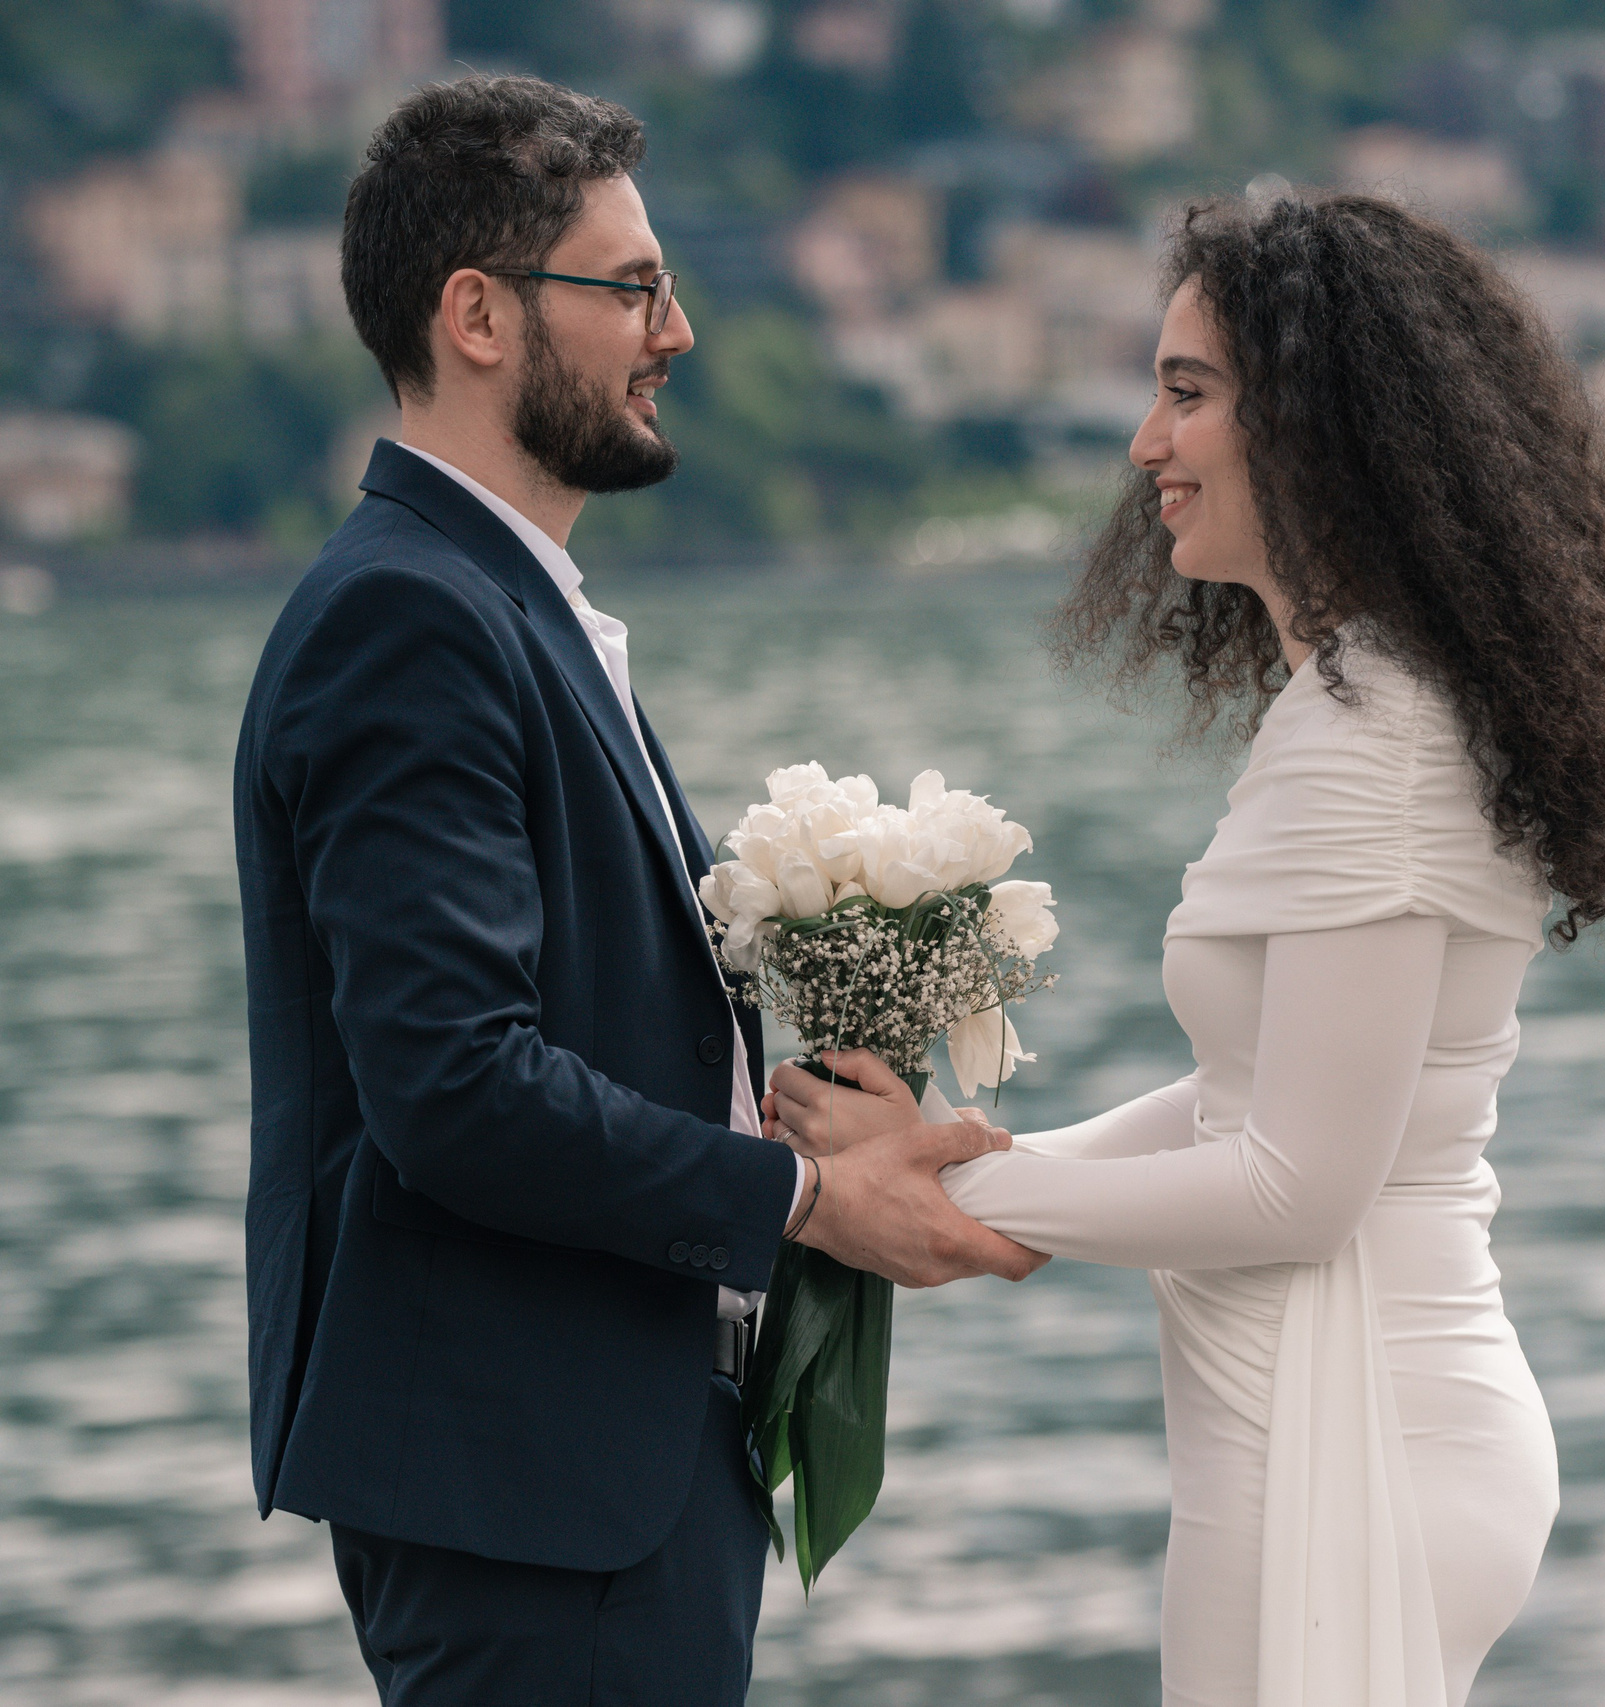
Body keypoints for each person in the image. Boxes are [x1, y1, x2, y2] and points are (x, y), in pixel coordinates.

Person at [766, 191, 1605, 1707]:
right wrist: (953, 1165)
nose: (1147, 445)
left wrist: (945, 1196)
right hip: (1354, 1417)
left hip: (1353, 1440)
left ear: (1319, 428)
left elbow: (1296, 1186)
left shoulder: (1373, 737)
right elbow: (1246, 1101)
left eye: (1188, 394)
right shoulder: (1367, 702)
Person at [231, 75, 1041, 1707]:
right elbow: (451, 1086)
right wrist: (811, 1205)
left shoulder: (490, 601)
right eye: (633, 287)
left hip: (599, 1473)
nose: (675, 330)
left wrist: (808, 1115)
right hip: (532, 1493)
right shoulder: (413, 618)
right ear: (476, 313)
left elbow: (592, 1036)